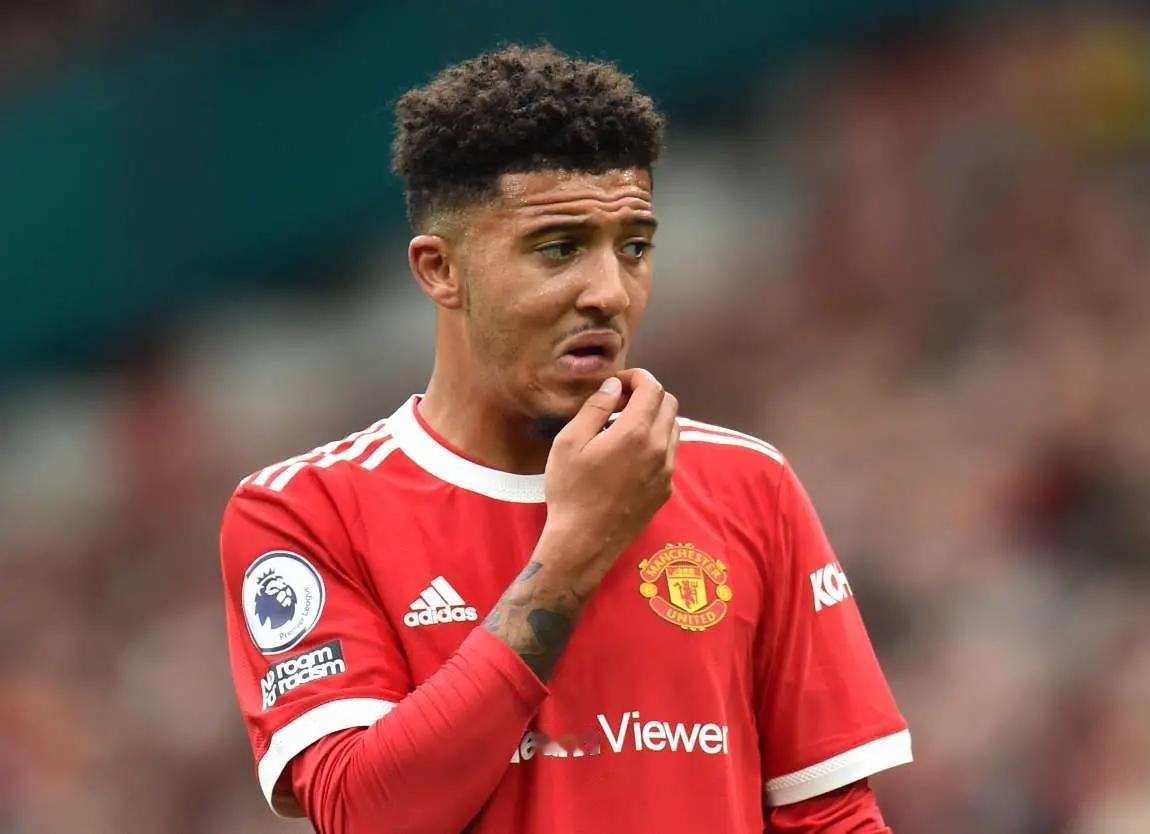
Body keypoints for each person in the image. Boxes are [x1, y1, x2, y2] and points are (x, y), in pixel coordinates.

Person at [219, 45, 911, 834]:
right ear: (440, 270)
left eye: (634, 246)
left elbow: (830, 819)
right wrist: (573, 554)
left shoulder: (746, 484)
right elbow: (364, 813)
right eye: (559, 248)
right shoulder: (307, 512)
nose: (609, 292)